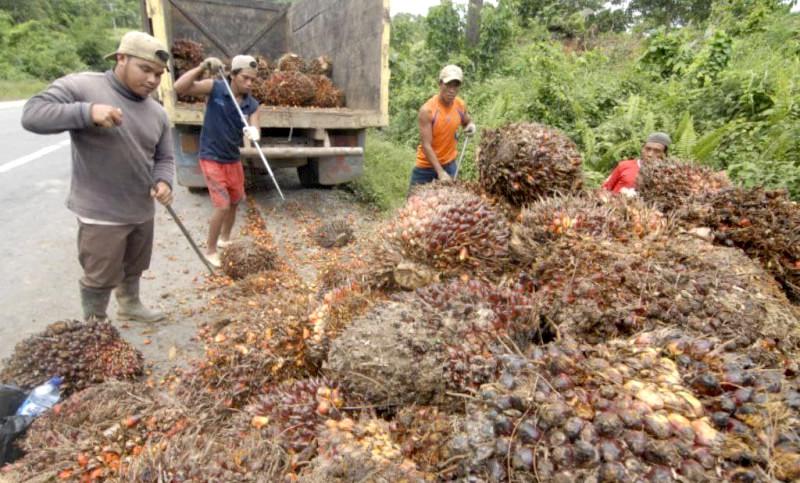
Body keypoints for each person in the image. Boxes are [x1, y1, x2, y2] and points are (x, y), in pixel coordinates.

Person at [21, 31, 174, 323]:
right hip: (101, 210)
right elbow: (33, 114)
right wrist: (87, 112)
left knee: (134, 264)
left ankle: (130, 304)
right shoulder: (84, 86)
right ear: (121, 58)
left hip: (140, 208)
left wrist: (164, 181)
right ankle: (96, 324)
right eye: (145, 70)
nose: (153, 80)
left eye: (158, 74)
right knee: (101, 272)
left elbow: (164, 157)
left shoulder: (157, 113)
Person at [173, 55, 261, 268]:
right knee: (221, 206)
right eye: (245, 78)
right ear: (233, 75)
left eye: (252, 80)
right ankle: (210, 250)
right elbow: (180, 87)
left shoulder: (252, 104)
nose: (249, 83)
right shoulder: (216, 88)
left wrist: (254, 131)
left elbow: (257, 124)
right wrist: (202, 68)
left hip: (232, 158)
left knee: (235, 201)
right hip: (211, 156)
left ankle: (225, 239)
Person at [409, 64, 476, 191]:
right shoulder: (428, 110)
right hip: (426, 168)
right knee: (413, 206)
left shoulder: (459, 105)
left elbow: (466, 121)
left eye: (455, 86)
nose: (452, 90)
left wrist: (471, 126)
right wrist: (440, 172)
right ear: (440, 84)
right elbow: (426, 145)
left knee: (451, 207)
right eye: (448, 85)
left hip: (449, 165)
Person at [602, 132, 671, 196]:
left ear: (664, 153)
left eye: (657, 151)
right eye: (647, 149)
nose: (650, 154)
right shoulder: (624, 165)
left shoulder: (667, 174)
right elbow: (605, 188)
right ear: (642, 149)